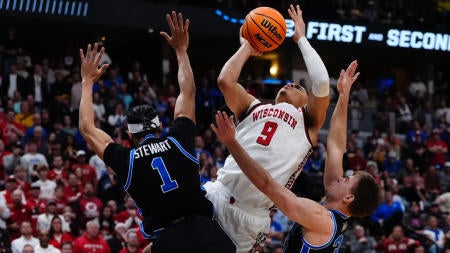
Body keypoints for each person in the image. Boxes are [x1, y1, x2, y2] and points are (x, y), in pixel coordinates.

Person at [77, 12, 234, 253]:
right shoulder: (178, 139)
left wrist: (87, 81)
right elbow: (188, 92)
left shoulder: (126, 159)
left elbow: (87, 129)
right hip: (208, 232)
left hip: (169, 241)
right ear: (159, 126)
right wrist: (181, 51)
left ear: (129, 134)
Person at [212, 61, 381, 252]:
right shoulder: (335, 214)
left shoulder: (321, 218)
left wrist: (232, 143)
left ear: (348, 197)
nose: (341, 177)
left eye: (347, 179)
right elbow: (335, 147)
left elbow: (267, 184)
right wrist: (343, 96)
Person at [204, 4, 331, 251]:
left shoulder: (308, 122)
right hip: (216, 192)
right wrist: (247, 47)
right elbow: (224, 81)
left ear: (307, 103)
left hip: (250, 214)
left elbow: (322, 81)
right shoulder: (253, 106)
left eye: (300, 87)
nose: (292, 84)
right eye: (289, 83)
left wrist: (302, 39)